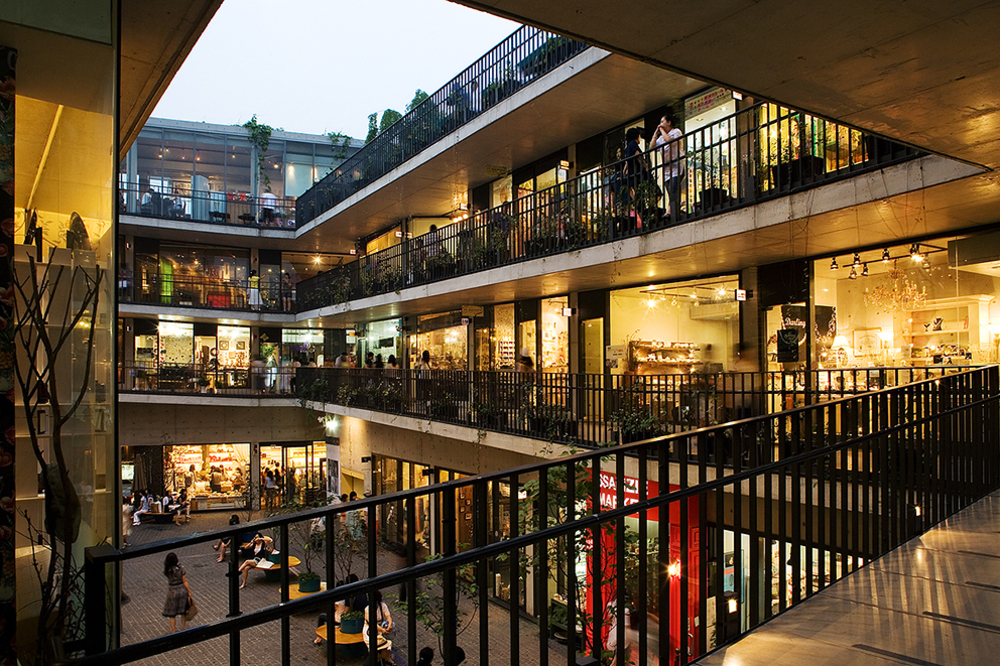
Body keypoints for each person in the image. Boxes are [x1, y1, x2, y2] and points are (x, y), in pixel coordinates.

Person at [650, 112, 685, 222]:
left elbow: (669, 140)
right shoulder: (660, 138)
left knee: (674, 189)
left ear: (669, 122)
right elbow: (652, 146)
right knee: (670, 190)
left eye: (662, 122)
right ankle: (674, 209)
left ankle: (671, 211)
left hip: (677, 166)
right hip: (666, 169)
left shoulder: (676, 132)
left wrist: (661, 130)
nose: (660, 124)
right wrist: (655, 133)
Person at [162, 552, 194, 633]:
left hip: (172, 591)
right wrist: (189, 591)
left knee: (172, 614)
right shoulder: (181, 568)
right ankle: (183, 629)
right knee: (183, 611)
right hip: (182, 590)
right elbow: (185, 581)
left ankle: (173, 631)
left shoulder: (167, 570)